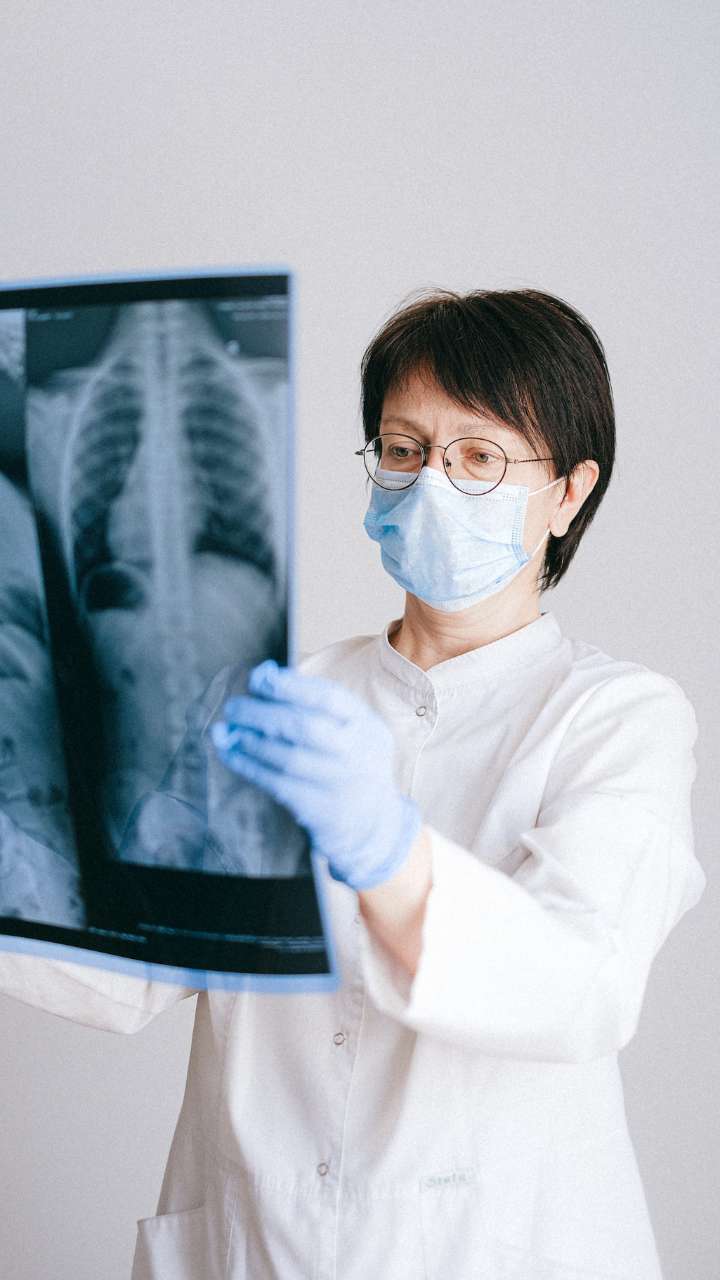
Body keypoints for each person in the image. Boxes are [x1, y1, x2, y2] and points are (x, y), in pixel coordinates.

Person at [0, 288, 705, 1279]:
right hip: (258, 1246)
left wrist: (388, 851)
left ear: (568, 493)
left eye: (479, 457)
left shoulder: (618, 718)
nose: (431, 483)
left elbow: (581, 987)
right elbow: (133, 962)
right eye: (405, 449)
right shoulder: (270, 701)